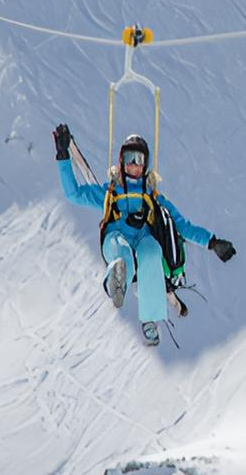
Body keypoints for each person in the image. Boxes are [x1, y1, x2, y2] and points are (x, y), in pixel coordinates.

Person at [53, 124, 234, 345]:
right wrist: (63, 157)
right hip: (115, 239)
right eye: (129, 158)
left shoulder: (153, 196)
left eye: (139, 159)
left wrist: (212, 242)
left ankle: (150, 319)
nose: (134, 164)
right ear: (121, 160)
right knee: (122, 251)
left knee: (152, 251)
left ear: (145, 165)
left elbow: (181, 225)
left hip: (142, 240)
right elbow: (74, 194)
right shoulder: (110, 192)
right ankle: (117, 282)